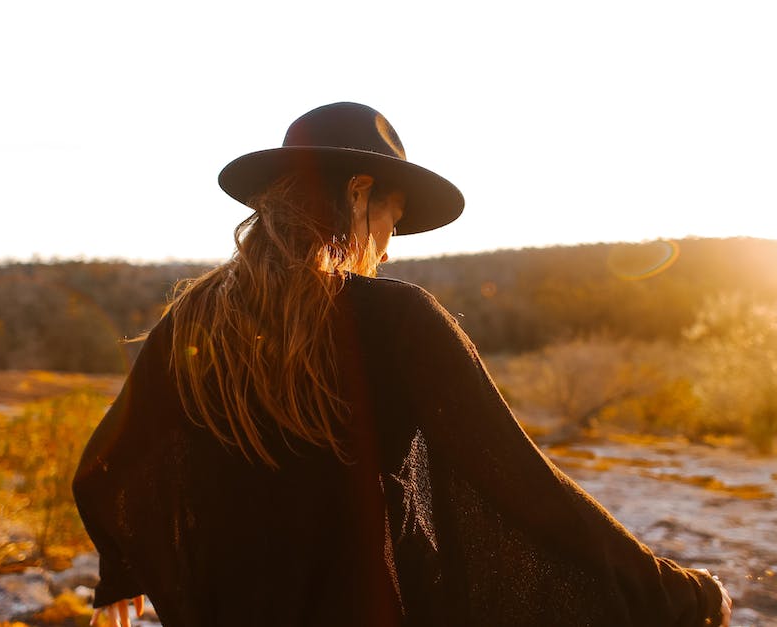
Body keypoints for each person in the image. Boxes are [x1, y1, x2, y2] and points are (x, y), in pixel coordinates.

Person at [72, 102, 732, 626]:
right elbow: (527, 487)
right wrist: (675, 593)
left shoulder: (192, 323)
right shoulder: (397, 320)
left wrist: (122, 572)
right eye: (393, 214)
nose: (388, 247)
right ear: (359, 192)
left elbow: (106, 466)